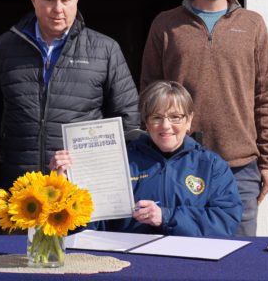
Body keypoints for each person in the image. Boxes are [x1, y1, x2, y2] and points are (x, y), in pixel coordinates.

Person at [140, 0, 268, 236]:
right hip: (178, 164)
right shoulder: (166, 24)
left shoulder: (253, 25)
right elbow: (148, 95)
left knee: (237, 259)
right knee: (177, 256)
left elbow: (265, 98)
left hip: (239, 166)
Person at [0, 0, 139, 190]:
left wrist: (97, 169)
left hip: (81, 188)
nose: (58, 8)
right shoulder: (5, 47)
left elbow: (128, 120)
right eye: (49, 0)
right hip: (20, 188)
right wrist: (3, 153)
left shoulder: (105, 50)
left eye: (65, 0)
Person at [51, 81, 242, 237]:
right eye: (157, 117)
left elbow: (225, 220)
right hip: (127, 259)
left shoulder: (211, 166)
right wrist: (65, 187)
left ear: (189, 120)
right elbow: (89, 225)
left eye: (175, 117)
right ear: (146, 121)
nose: (165, 126)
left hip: (190, 263)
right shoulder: (121, 160)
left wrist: (166, 217)